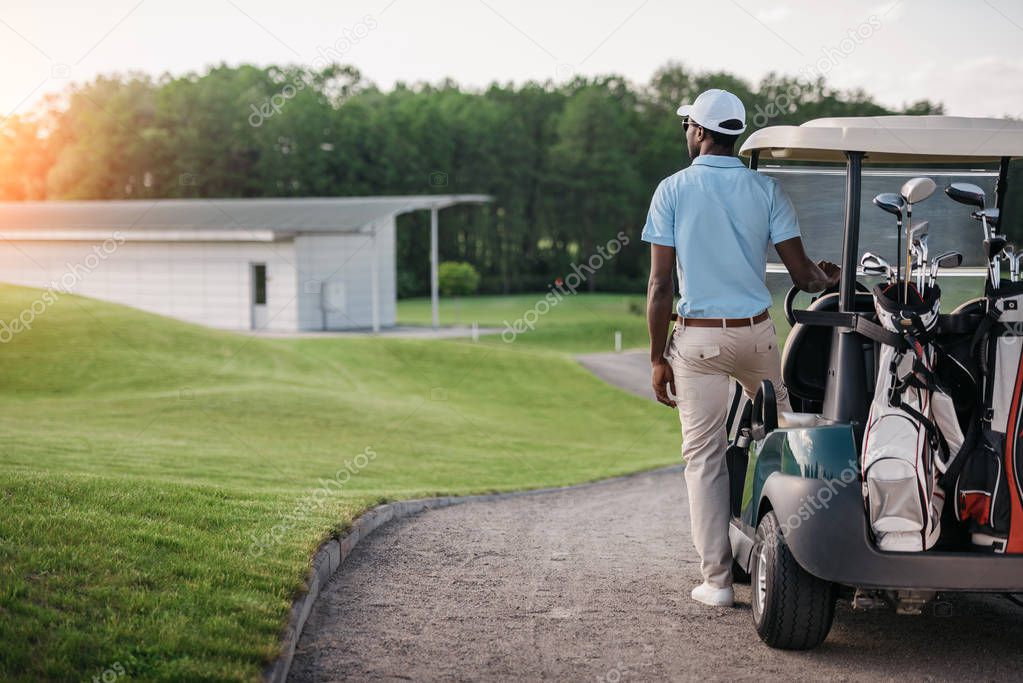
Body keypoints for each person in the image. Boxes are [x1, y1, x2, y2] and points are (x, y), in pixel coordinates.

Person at [642, 89, 840, 608]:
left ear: (702, 132)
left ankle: (717, 582)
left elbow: (661, 286)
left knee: (704, 458)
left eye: (689, 125)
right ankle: (800, 560)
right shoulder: (766, 189)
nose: (687, 132)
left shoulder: (671, 189)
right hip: (756, 335)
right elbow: (803, 274)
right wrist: (827, 276)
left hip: (699, 341)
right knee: (790, 440)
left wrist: (657, 357)